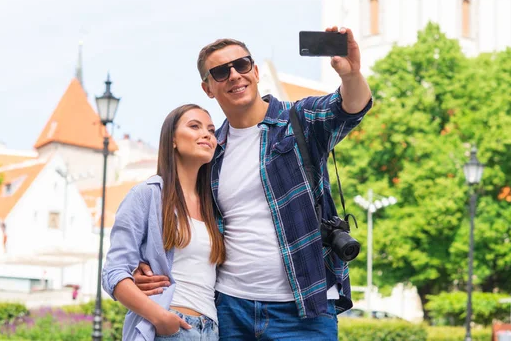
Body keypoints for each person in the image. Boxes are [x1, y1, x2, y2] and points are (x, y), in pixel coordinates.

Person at [135, 26, 372, 340]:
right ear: (208, 88)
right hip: (232, 308)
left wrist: (351, 75)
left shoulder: (298, 120)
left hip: (303, 309)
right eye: (220, 72)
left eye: (242, 65)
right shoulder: (210, 152)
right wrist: (145, 267)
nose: (234, 75)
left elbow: (349, 108)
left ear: (256, 71)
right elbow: (184, 220)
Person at [102, 104, 225, 341]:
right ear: (172, 140)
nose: (207, 134)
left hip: (211, 330)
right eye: (194, 126)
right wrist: (160, 318)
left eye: (211, 130)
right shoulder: (147, 195)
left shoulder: (214, 206)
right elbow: (114, 272)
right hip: (170, 327)